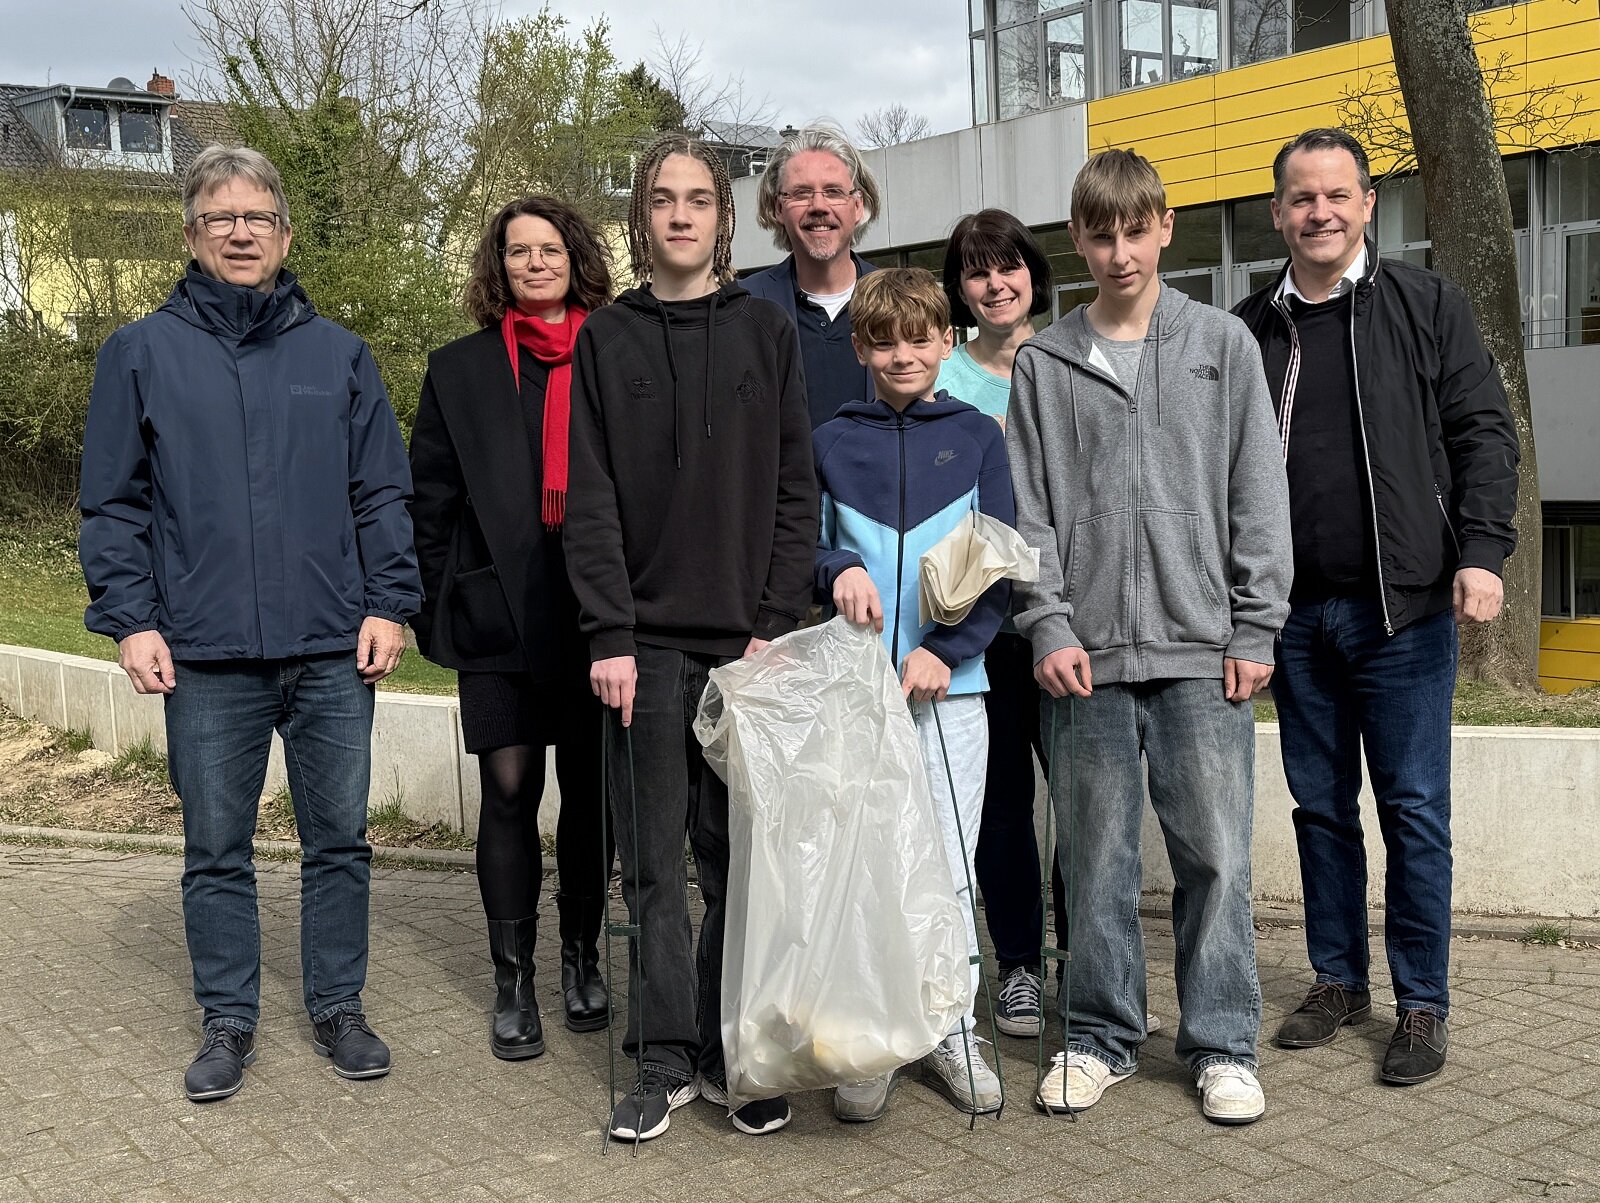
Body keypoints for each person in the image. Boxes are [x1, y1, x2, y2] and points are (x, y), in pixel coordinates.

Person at [79, 144, 420, 1102]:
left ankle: (338, 1005)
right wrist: (131, 620)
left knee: (340, 841)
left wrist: (390, 600)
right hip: (205, 652)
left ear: (284, 234)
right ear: (191, 235)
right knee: (216, 847)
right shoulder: (140, 354)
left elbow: (382, 494)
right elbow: (114, 506)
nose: (240, 231)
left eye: (256, 217)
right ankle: (229, 1018)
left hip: (328, 649)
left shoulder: (339, 355)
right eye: (220, 217)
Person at [1007, 148, 1293, 1125]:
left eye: (1136, 229)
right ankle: (1098, 1037)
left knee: (1213, 855)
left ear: (1164, 226)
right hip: (1082, 655)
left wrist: (1256, 623)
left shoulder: (1221, 346)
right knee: (1094, 861)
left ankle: (1219, 1044)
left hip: (1204, 647)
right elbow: (1026, 515)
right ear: (1077, 240)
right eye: (1099, 233)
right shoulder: (1044, 364)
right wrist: (1045, 620)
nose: (1119, 251)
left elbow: (1257, 495)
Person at [1233, 128, 1519, 1086]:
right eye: (1301, 198)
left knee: (1413, 809)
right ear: (1277, 213)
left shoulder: (1424, 303)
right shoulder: (1248, 329)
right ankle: (1338, 979)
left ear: (1367, 204)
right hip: (1295, 616)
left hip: (1404, 613)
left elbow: (1483, 431)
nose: (1319, 212)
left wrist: (1482, 551)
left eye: (1337, 195)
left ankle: (1422, 1002)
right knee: (1320, 807)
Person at [563, 133, 819, 1143]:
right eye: (662, 199)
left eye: (697, 200)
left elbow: (795, 490)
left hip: (745, 648)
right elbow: (586, 501)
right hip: (643, 648)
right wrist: (609, 635)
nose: (679, 215)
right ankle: (663, 1058)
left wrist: (770, 624)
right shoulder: (605, 339)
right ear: (642, 216)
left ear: (723, 216)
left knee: (737, 860)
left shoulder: (766, 332)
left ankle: (732, 1051)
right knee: (656, 865)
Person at [408, 196, 614, 1061]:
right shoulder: (458, 370)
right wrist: (432, 602)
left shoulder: (614, 350)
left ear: (576, 258)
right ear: (499, 265)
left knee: (593, 801)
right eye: (518, 251)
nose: (536, 263)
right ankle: (512, 977)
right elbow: (427, 502)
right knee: (508, 792)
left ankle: (580, 958)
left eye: (551, 248)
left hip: (599, 616)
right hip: (497, 619)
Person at [814, 267, 1013, 1123]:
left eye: (919, 337)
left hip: (950, 696)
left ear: (945, 342)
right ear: (862, 347)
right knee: (866, 862)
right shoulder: (828, 440)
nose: (902, 353)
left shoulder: (977, 438)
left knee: (945, 865)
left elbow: (1001, 558)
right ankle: (874, 1029)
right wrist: (839, 567)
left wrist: (948, 649)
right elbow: (798, 549)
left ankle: (948, 1025)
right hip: (855, 693)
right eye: (883, 339)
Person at [936, 209, 1061, 1042]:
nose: (995, 283)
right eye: (977, 271)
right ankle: (1018, 965)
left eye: (1008, 265)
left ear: (1032, 273)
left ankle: (1092, 959)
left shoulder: (1071, 360)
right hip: (989, 630)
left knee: (1089, 804)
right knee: (1004, 805)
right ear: (960, 289)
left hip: (1074, 623)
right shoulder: (940, 375)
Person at [745, 123, 882, 429]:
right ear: (778, 208)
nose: (818, 206)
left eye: (833, 192)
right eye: (801, 194)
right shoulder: (743, 307)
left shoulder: (897, 299)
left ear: (857, 206)